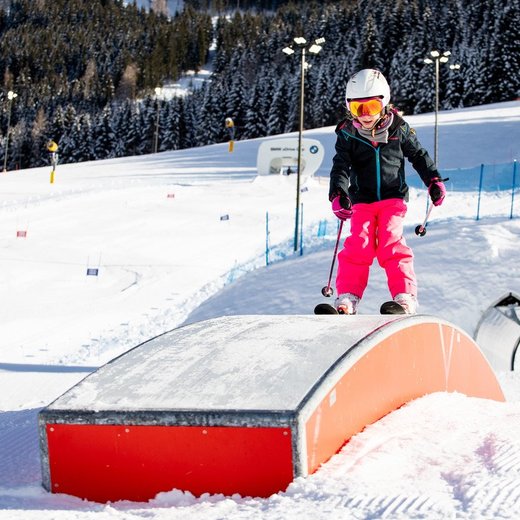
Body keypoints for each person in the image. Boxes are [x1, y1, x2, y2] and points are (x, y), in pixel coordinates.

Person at [329, 68, 446, 314]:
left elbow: (418, 155)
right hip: (361, 199)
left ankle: (405, 296)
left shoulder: (399, 128)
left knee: (390, 243)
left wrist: (433, 180)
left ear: (384, 103)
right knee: (358, 244)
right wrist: (339, 193)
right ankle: (348, 296)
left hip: (393, 197)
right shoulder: (348, 134)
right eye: (357, 109)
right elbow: (341, 165)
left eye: (370, 107)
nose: (364, 115)